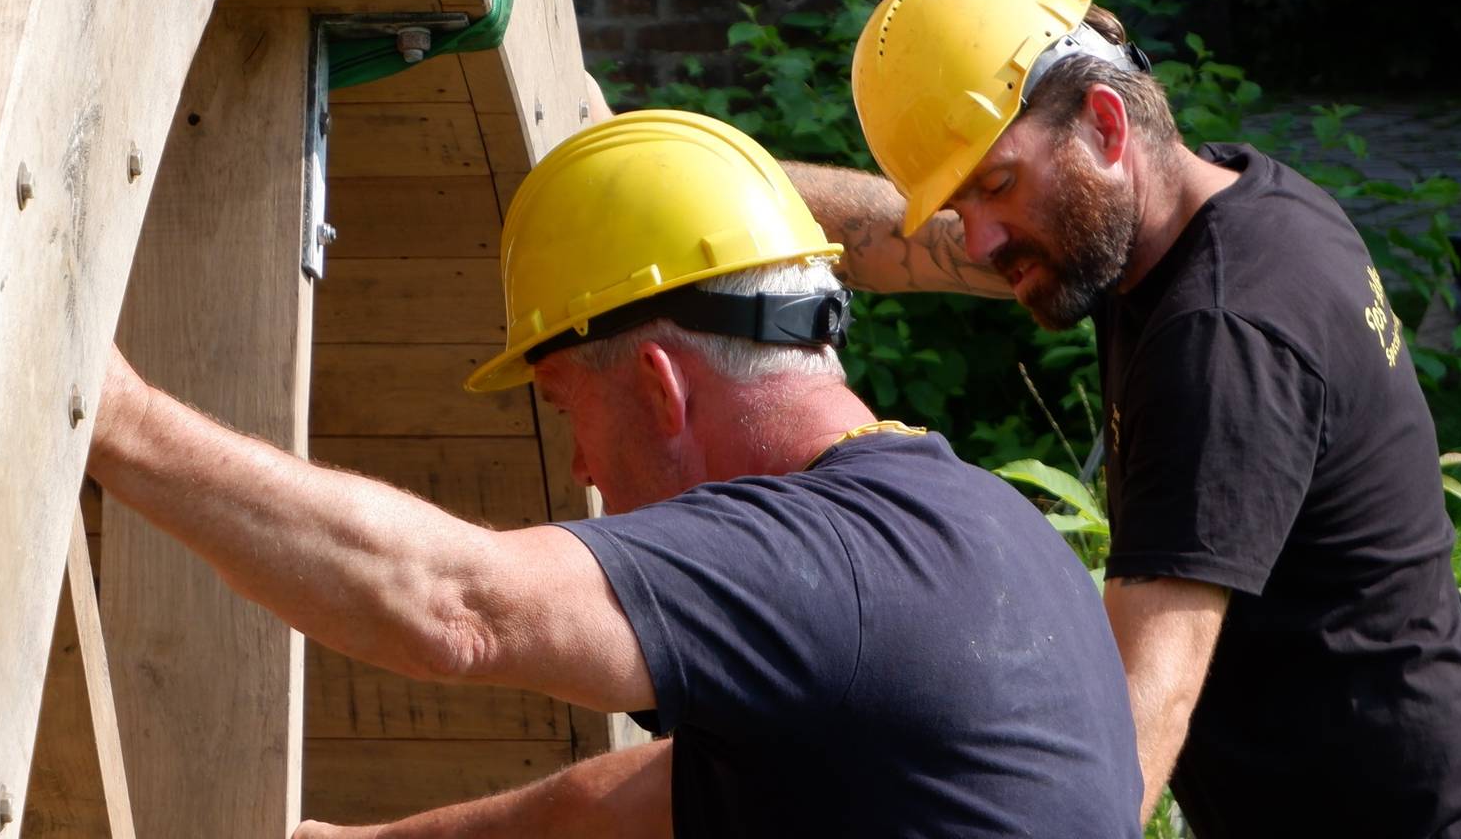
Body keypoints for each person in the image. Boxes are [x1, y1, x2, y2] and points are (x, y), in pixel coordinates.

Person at [89, 110, 1142, 837]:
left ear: (658, 384)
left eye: (565, 410)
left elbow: (455, 606)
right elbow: (602, 813)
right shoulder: (970, 531)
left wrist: (117, 418)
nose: (585, 467)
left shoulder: (821, 555)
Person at [783, 0, 1461, 837]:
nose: (976, 240)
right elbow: (888, 241)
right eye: (954, 199)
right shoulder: (1216, 208)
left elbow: (1124, 745)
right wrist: (674, 180)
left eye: (995, 185)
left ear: (1103, 123)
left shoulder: (1219, 340)